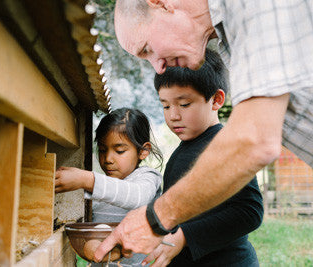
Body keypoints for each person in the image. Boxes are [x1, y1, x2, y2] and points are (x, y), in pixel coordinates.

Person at [94, 0, 313, 262]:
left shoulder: (253, 6)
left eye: (148, 49)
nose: (158, 67)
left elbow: (255, 141)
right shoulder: (228, 39)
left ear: (160, 4)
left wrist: (155, 218)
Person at [141, 49, 263, 267]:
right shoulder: (184, 149)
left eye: (184, 104)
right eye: (165, 105)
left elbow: (249, 211)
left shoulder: (226, 145)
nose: (173, 115)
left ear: (216, 100)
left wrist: (185, 236)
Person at [55, 108, 163, 266]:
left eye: (119, 151)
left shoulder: (147, 177)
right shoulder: (103, 186)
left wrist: (87, 179)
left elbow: (137, 197)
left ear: (143, 151)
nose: (108, 159)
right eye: (103, 150)